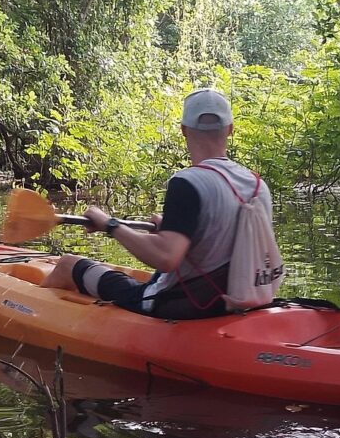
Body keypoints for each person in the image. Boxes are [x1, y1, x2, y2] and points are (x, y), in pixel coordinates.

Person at [39, 88, 275, 319]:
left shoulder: (188, 182)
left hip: (183, 305)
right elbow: (225, 245)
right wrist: (175, 229)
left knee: (67, 265)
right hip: (236, 301)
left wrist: (109, 224)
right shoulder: (257, 185)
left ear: (184, 130)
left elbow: (165, 258)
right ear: (230, 129)